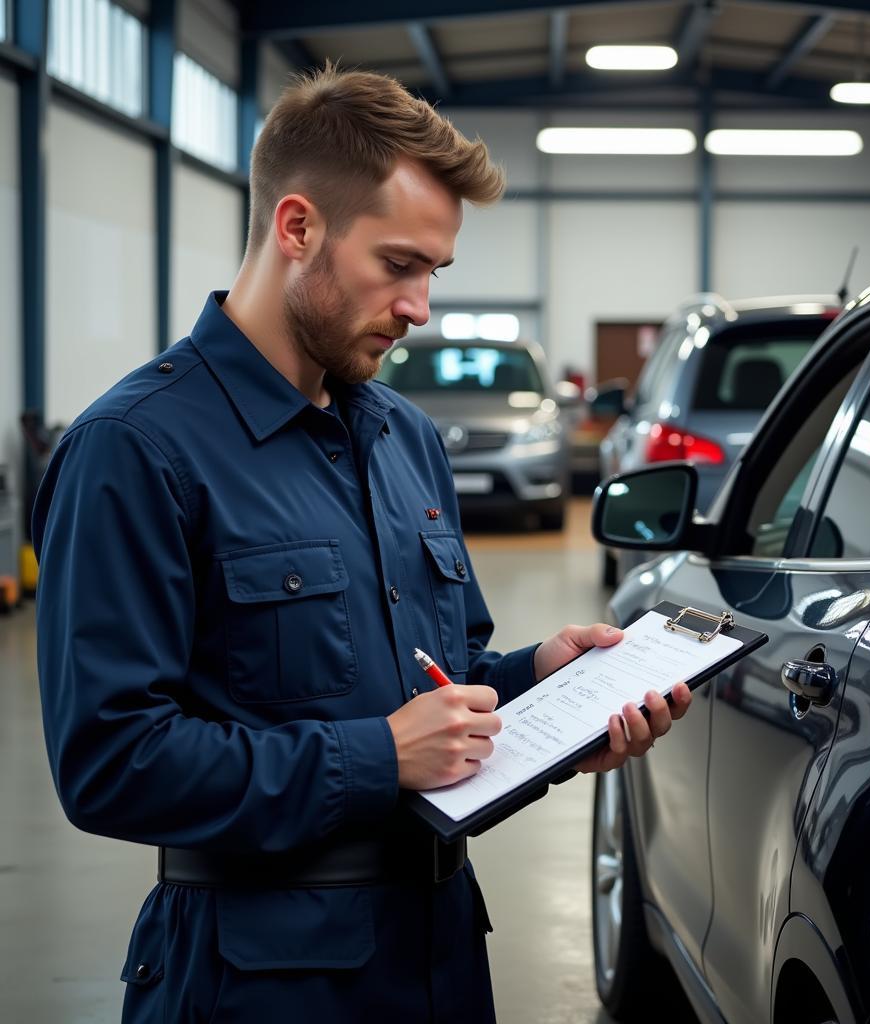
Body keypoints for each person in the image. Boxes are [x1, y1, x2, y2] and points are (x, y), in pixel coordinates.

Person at [32, 64, 692, 1023]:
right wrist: (376, 760)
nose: (421, 307)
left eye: (435, 272)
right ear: (297, 227)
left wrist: (547, 688)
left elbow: (442, 678)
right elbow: (110, 762)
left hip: (438, 957)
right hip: (258, 980)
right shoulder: (135, 450)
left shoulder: (404, 439)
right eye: (398, 265)